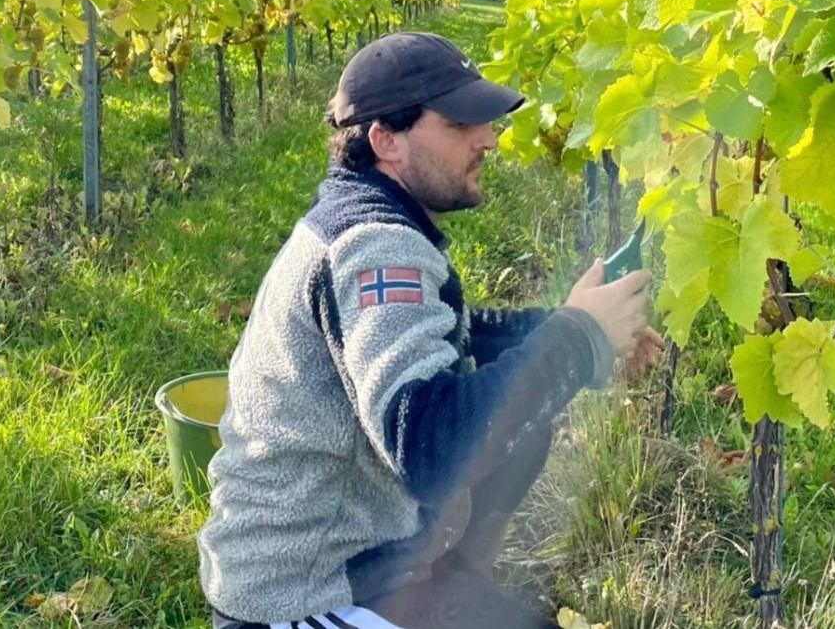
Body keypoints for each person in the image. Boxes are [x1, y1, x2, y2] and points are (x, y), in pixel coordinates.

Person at [198, 31, 662, 629]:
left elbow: (456, 334)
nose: (488, 138)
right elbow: (431, 450)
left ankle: (445, 581)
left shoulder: (361, 218)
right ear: (385, 140)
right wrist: (576, 337)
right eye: (459, 123)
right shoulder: (375, 248)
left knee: (524, 419)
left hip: (353, 561)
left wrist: (581, 329)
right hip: (303, 594)